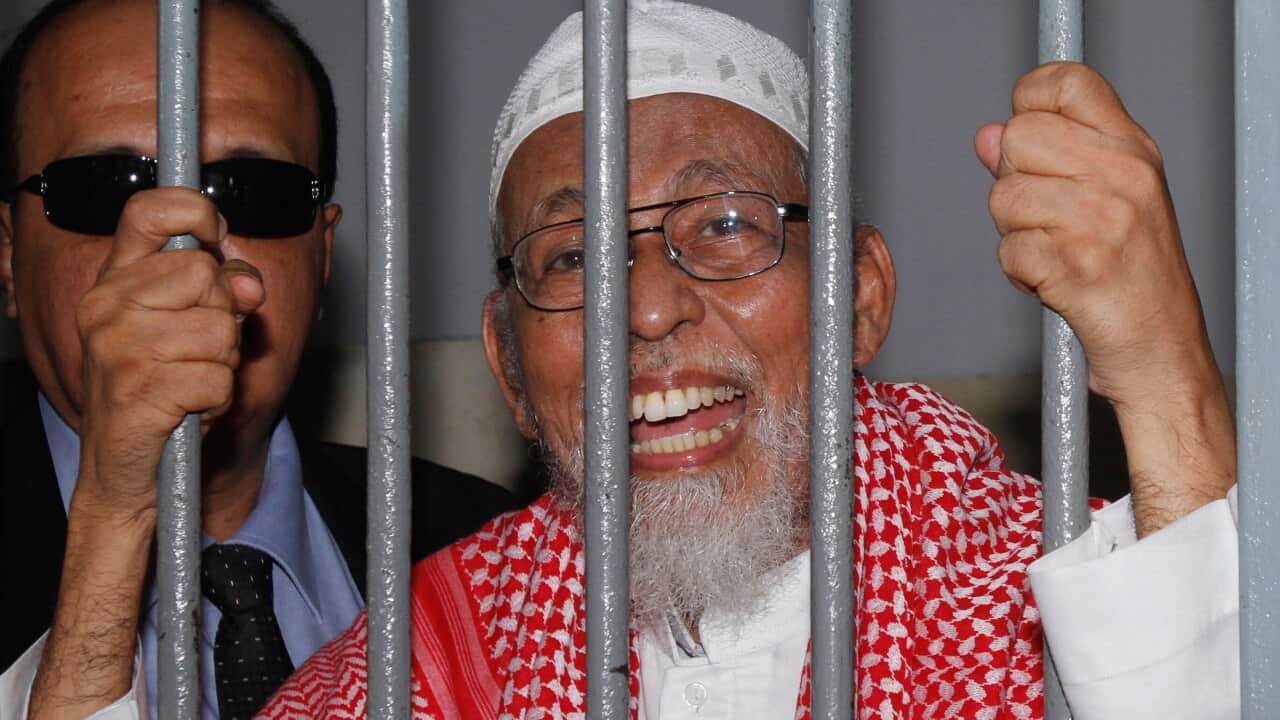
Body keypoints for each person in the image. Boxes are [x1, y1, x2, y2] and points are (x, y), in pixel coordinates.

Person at [270, 3, 1237, 720]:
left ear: (859, 297)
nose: (648, 307)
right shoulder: (413, 667)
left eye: (727, 225)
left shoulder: (1081, 598)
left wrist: (1169, 381)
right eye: (573, 256)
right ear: (509, 365)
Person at [0, 0, 520, 718]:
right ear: (8, 252)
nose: (185, 249)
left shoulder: (487, 550)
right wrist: (114, 524)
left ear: (322, 257)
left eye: (252, 192)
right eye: (108, 188)